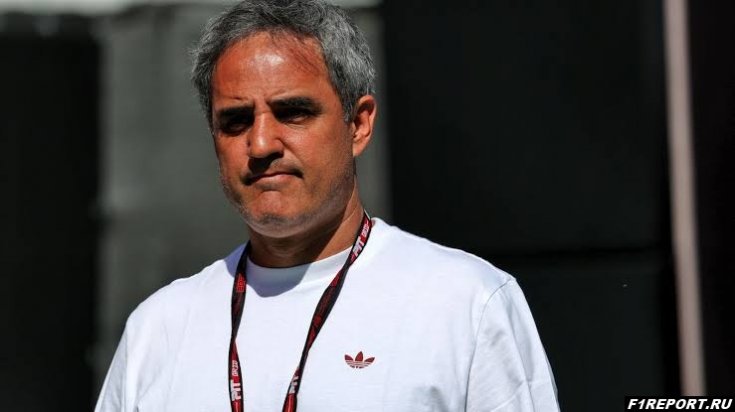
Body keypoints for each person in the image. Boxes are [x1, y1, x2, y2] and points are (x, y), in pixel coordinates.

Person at [95, 1, 559, 411]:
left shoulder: (465, 303)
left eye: (293, 112)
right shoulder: (159, 330)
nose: (261, 144)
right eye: (236, 121)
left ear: (358, 124)